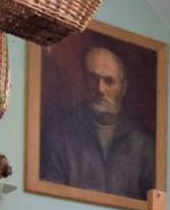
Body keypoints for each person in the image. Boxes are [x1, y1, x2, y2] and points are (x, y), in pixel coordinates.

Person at [42, 43, 156, 200]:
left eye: (109, 81)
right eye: (93, 78)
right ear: (84, 81)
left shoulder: (144, 143)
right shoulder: (59, 132)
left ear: (123, 88)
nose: (100, 89)